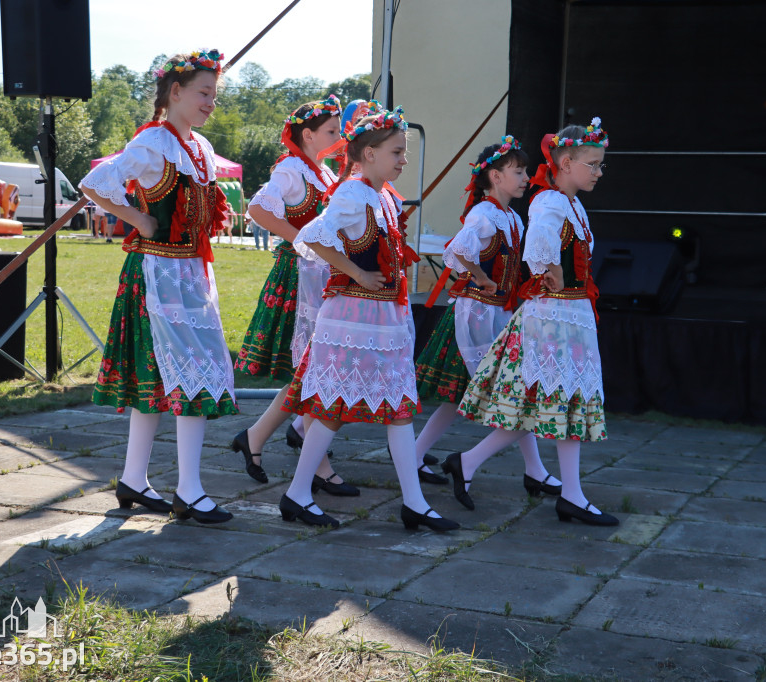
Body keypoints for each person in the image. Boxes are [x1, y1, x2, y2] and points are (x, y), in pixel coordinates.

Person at [280, 105, 459, 532]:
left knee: (397, 406)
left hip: (384, 317)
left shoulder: (380, 196)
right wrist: (357, 271)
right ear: (369, 153)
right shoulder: (352, 193)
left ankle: (412, 502)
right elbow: (313, 237)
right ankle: (298, 493)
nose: (403, 160)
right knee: (334, 407)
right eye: (396, 151)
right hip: (353, 316)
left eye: (404, 152)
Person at [80, 49, 236, 525]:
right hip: (157, 273)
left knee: (165, 372)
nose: (211, 102)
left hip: (190, 273)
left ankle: (134, 478)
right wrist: (137, 219)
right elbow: (94, 183)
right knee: (190, 370)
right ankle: (188, 489)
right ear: (175, 93)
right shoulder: (153, 142)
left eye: (214, 94)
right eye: (203, 93)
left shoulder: (200, 148)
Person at [452, 117, 617, 526]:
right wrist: (549, 269)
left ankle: (470, 463)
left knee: (554, 405)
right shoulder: (550, 201)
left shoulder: (572, 203)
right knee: (554, 402)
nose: (598, 172)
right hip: (552, 316)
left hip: (570, 312)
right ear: (564, 161)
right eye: (592, 164)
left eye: (600, 165)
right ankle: (570, 495)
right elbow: (539, 240)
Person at [414, 136, 564, 501]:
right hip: (476, 315)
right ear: (495, 176)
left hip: (499, 312)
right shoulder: (483, 214)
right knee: (507, 391)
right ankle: (419, 456)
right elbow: (458, 250)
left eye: (526, 171)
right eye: (519, 171)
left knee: (495, 392)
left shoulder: (511, 215)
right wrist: (481, 277)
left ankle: (534, 470)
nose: (526, 177)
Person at [230, 96, 358, 497]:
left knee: (311, 369)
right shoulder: (290, 168)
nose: (338, 138)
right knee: (310, 368)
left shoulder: (319, 171)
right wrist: (302, 239)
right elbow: (257, 209)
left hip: (322, 276)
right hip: (298, 276)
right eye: (331, 132)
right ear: (307, 134)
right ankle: (315, 464)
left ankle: (255, 438)